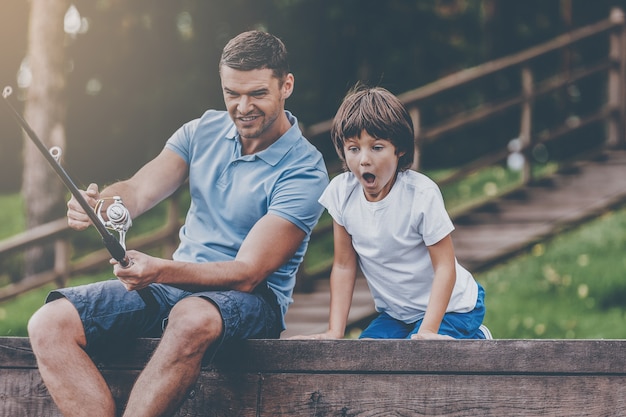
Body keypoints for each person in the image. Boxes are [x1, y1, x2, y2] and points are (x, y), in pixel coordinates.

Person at [27, 30, 329, 417]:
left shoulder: (304, 170)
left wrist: (160, 270)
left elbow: (248, 273)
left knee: (192, 316)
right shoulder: (201, 130)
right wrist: (101, 206)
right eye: (231, 93)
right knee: (49, 323)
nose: (242, 106)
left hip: (254, 302)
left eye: (256, 94)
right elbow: (138, 190)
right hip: (173, 286)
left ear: (286, 85)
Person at [292, 85, 491, 341]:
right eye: (354, 148)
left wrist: (427, 331)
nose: (364, 159)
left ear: (400, 149)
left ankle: (477, 339)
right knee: (368, 356)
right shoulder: (342, 194)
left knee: (415, 356)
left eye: (376, 147)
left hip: (454, 309)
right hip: (398, 314)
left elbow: (444, 266)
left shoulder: (420, 195)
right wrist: (334, 332)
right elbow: (343, 265)